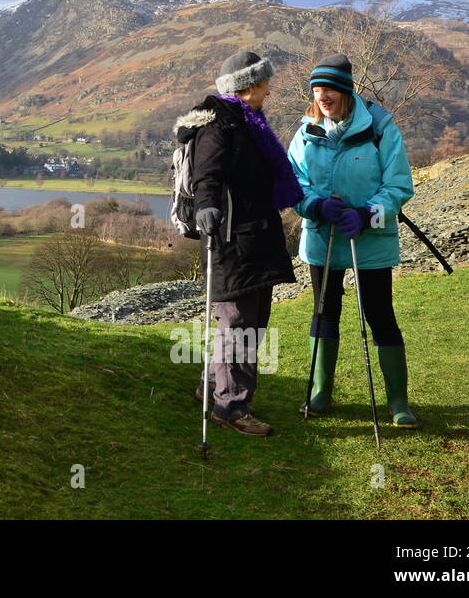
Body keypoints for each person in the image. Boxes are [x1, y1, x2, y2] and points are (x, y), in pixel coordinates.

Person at [286, 54, 418, 427]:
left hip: (370, 241)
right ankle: (320, 392)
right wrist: (315, 206)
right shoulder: (306, 131)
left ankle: (398, 403)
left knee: (379, 315)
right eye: (316, 89)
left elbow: (398, 185)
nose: (321, 96)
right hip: (322, 239)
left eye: (328, 88)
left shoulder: (380, 127)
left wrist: (366, 213)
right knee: (324, 312)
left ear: (346, 90)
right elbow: (293, 182)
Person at [175, 51, 302, 436]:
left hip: (251, 237)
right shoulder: (220, 126)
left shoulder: (245, 123)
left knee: (246, 321)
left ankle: (212, 387)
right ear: (248, 87)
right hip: (232, 240)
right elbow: (206, 176)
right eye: (265, 84)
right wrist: (207, 207)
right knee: (240, 325)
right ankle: (231, 408)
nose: (269, 90)